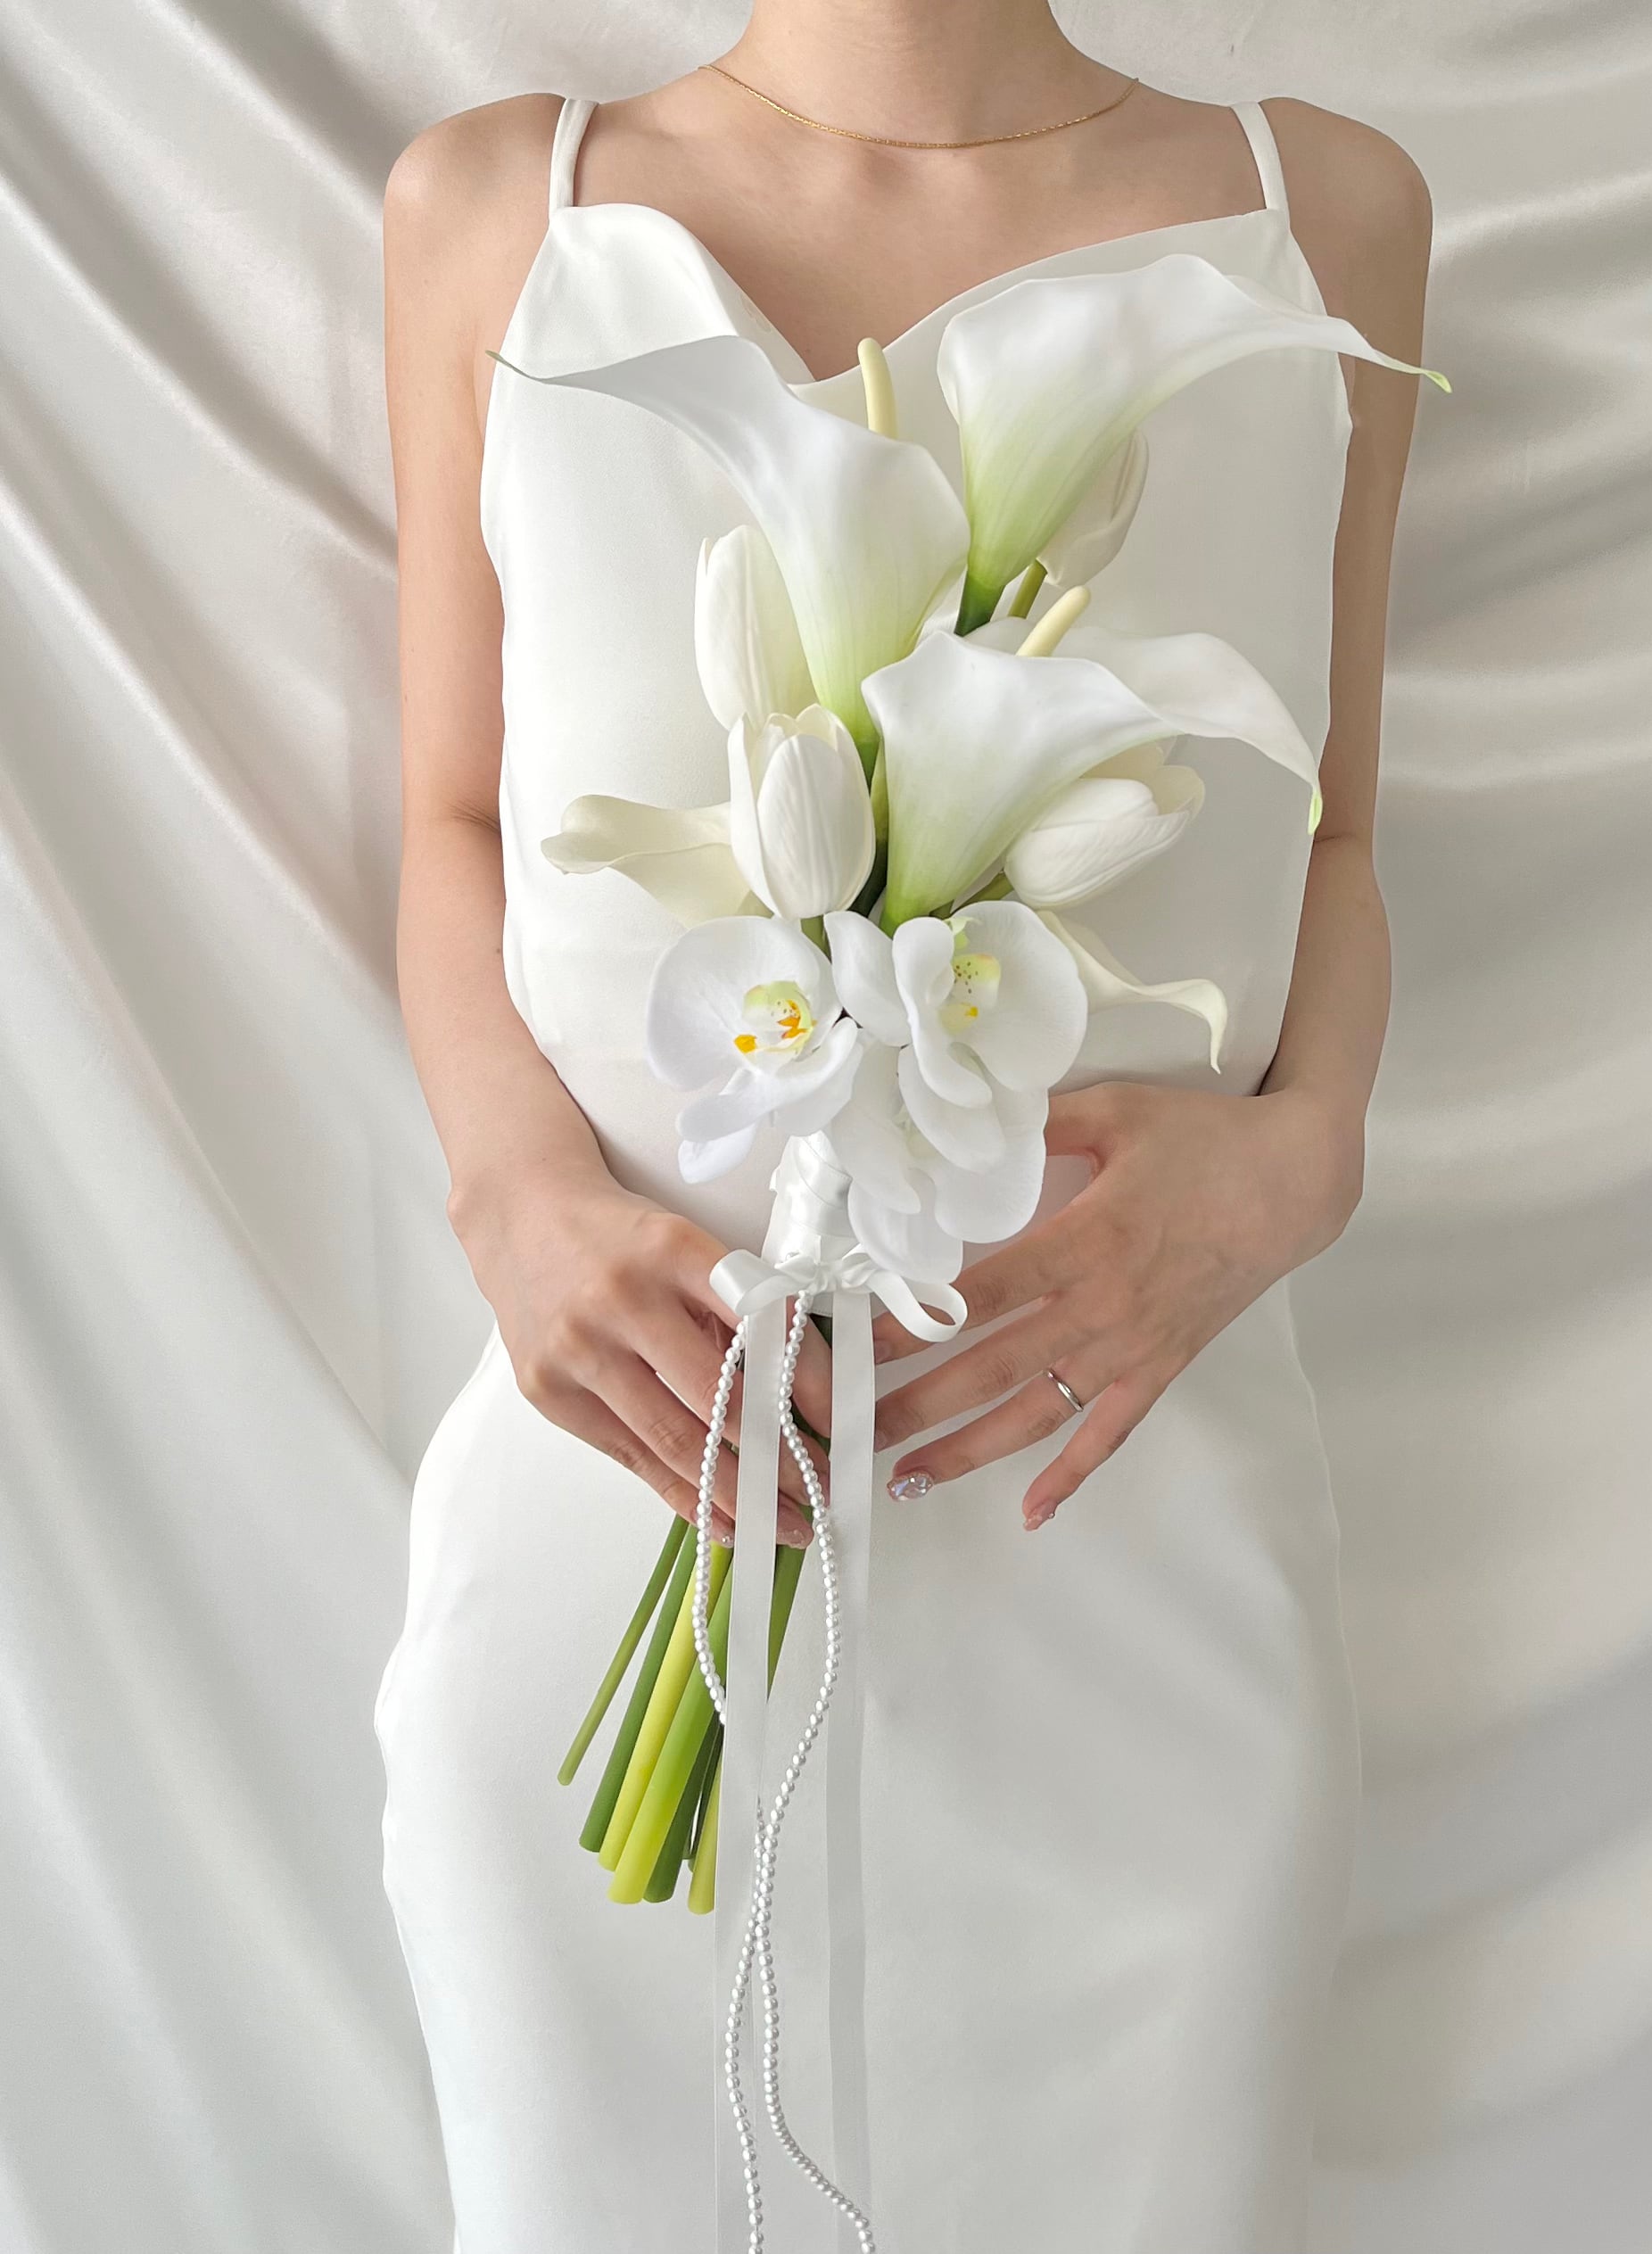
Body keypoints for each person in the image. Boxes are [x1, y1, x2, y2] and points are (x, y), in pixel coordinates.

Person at [376, 6, 1434, 2246]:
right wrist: (515, 1199)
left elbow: (1332, 832)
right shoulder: (503, 209)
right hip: (622, 1504)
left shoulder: (1323, 212)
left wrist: (1304, 1154)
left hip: (1132, 1515)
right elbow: (452, 818)